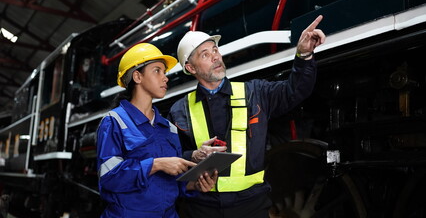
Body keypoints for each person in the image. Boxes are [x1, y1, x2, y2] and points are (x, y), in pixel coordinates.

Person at [167, 15, 326, 218]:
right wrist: (194, 157)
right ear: (191, 68)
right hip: (203, 206)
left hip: (252, 205)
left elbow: (294, 90)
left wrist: (303, 56)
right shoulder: (179, 110)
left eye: (215, 50)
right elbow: (171, 157)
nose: (215, 56)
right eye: (205, 55)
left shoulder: (256, 92)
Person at [96, 43, 218, 218]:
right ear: (137, 76)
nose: (165, 78)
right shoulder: (114, 122)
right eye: (157, 71)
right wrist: (156, 164)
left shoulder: (168, 128)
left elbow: (172, 184)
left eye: (165, 72)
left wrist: (195, 185)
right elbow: (109, 178)